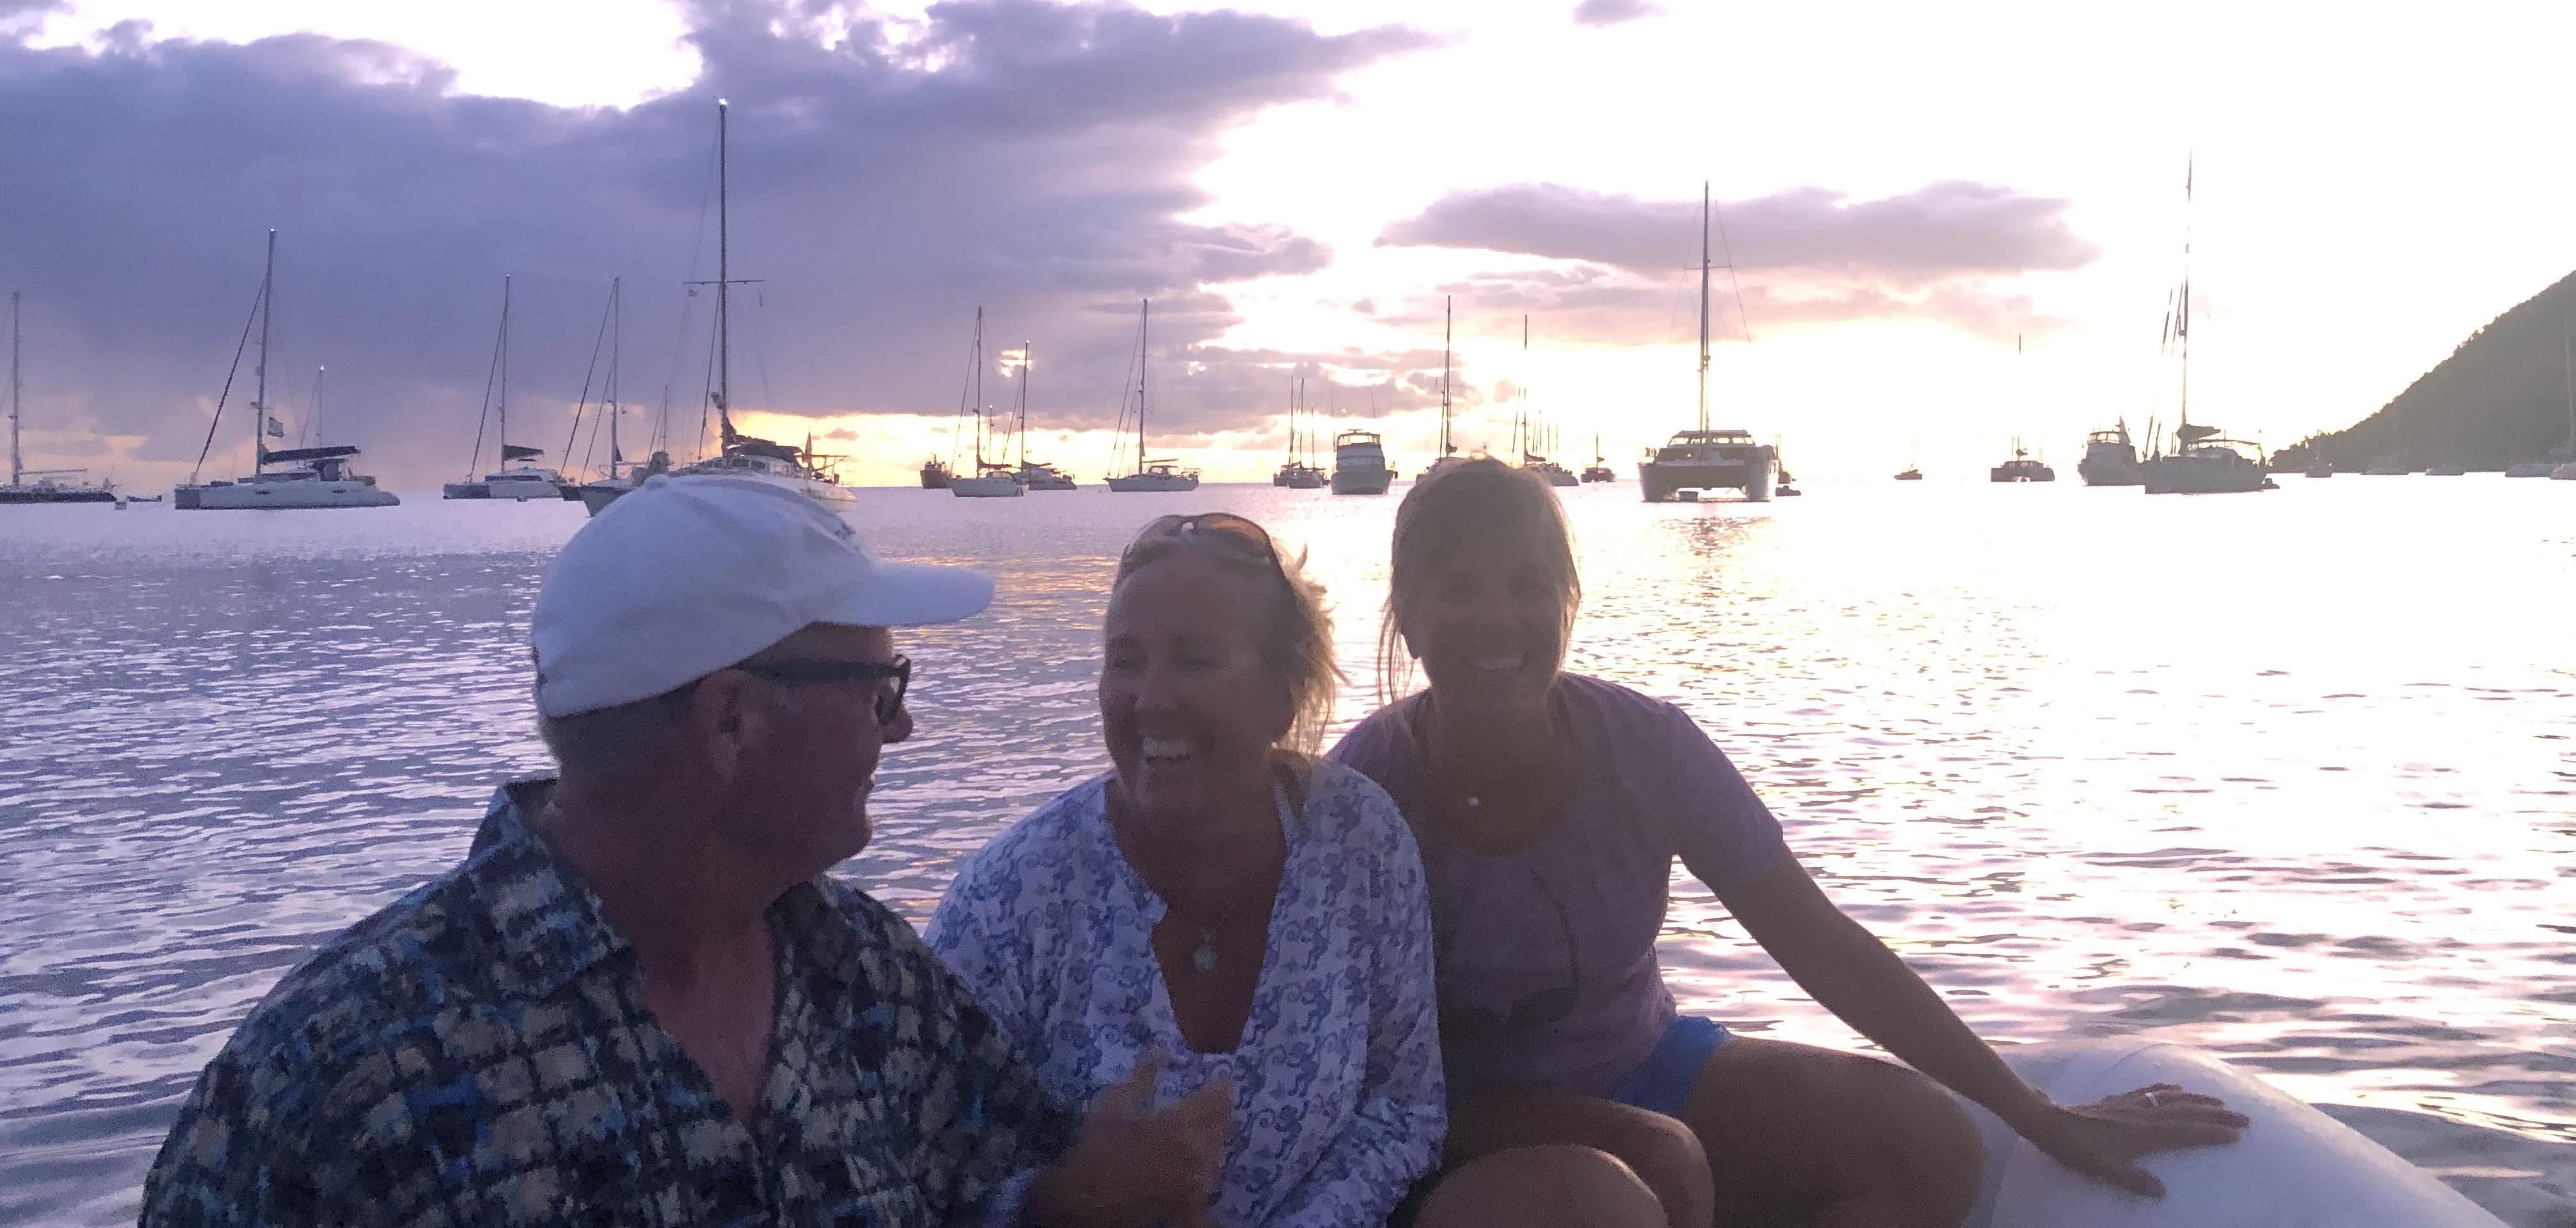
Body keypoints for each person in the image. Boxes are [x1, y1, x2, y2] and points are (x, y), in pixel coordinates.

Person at [141, 474, 1224, 1227]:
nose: (901, 728)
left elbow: (984, 1193)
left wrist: (1067, 1205)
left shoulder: (870, 979)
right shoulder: (336, 1080)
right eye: (878, 689)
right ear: (730, 719)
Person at [1330, 459, 2250, 1228]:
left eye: (1528, 586)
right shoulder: (1361, 793)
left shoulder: (1647, 747)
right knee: (1634, 1179)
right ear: (1406, 614)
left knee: (1929, 1145)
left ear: (1569, 602)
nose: (1498, 619)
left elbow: (1821, 944)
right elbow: (1328, 1060)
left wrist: (2035, 1113)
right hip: (1448, 1122)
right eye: (1460, 588)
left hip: (1642, 1064)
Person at [928, 512, 1668, 1228]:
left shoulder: (1357, 837)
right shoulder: (1009, 901)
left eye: (1195, 659)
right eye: (1126, 661)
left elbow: (1403, 1109)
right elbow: (913, 1172)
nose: (1150, 699)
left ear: (1285, 694)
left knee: (1601, 1200)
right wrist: (1062, 1200)